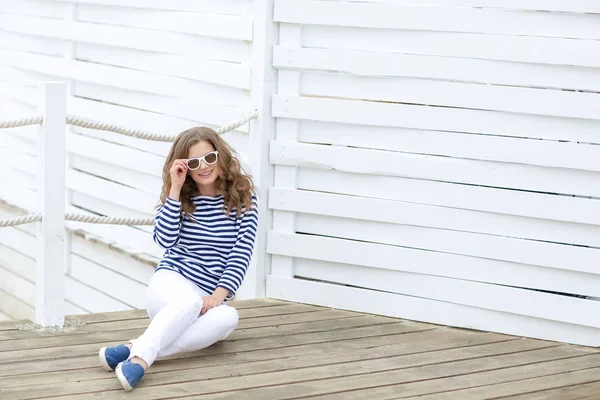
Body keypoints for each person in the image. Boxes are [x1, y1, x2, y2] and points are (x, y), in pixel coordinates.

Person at [97, 127, 259, 391]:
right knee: (189, 301)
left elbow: (241, 251)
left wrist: (218, 296)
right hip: (171, 285)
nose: (204, 167)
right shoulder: (180, 197)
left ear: (221, 155)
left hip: (208, 299)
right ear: (185, 167)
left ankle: (132, 348)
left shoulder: (244, 198)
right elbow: (165, 241)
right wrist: (175, 188)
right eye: (194, 163)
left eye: (209, 158)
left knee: (228, 318)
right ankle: (139, 361)